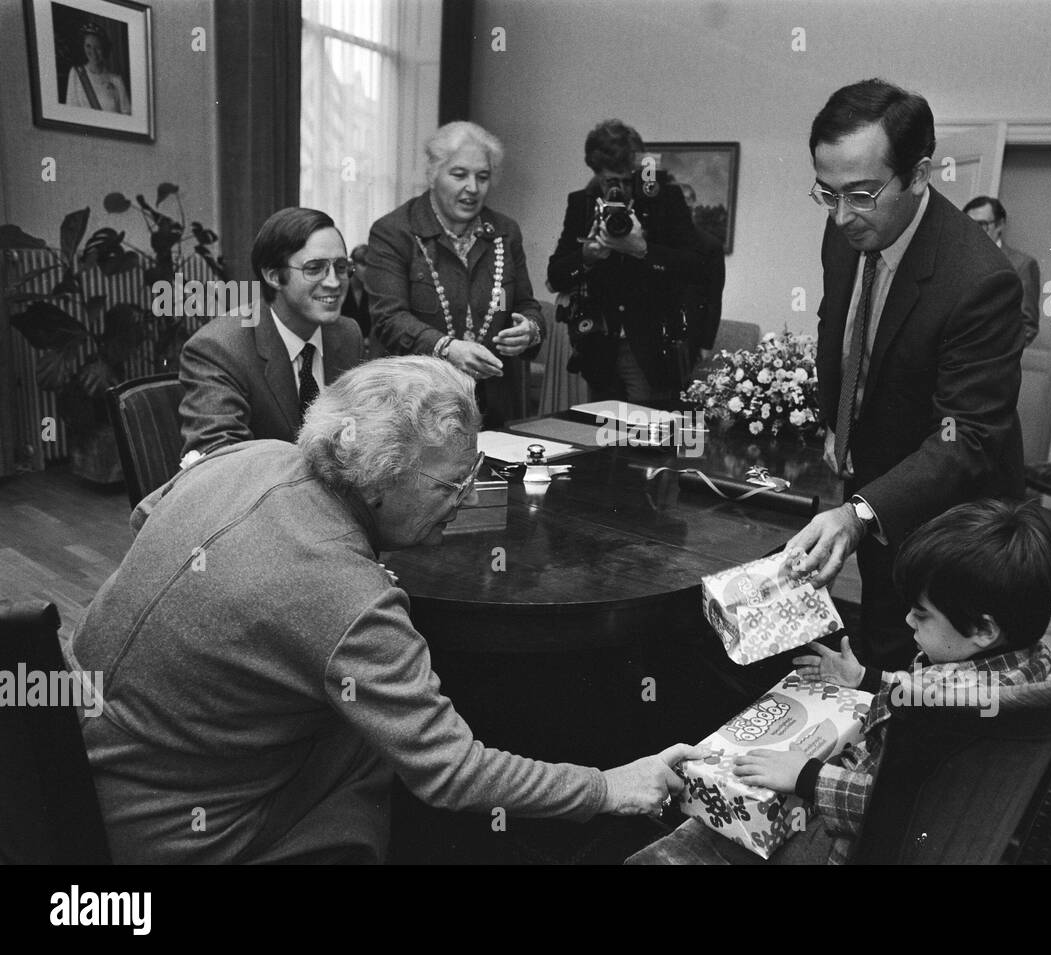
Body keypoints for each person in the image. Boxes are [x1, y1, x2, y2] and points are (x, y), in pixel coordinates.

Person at [68, 356, 702, 863]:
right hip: (182, 832)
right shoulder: (349, 599)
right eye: (451, 483)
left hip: (86, 751)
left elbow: (144, 514)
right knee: (405, 761)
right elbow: (452, 773)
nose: (464, 498)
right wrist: (609, 786)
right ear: (376, 476)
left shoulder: (250, 454)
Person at [628, 497, 1051, 865]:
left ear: (984, 630)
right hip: (944, 835)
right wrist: (867, 678)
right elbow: (939, 689)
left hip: (857, 845)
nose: (908, 619)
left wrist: (806, 777)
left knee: (698, 836)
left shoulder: (938, 715)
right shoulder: (1029, 659)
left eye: (923, 613)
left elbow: (891, 809)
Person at [790, 78, 1026, 671]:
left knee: (917, 679)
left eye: (862, 194)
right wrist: (833, 425)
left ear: (920, 174)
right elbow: (839, 329)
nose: (842, 215)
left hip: (950, 531)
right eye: (827, 192)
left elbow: (967, 436)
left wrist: (861, 512)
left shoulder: (980, 280)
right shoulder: (847, 229)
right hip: (874, 486)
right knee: (877, 645)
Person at [367, 121, 543, 429]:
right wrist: (447, 348)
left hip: (495, 406)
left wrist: (530, 329)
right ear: (434, 174)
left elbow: (526, 305)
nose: (472, 188)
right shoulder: (394, 232)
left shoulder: (505, 233)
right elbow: (389, 318)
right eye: (459, 174)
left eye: (483, 177)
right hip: (417, 406)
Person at [178, 207, 364, 460]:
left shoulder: (347, 333)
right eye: (314, 268)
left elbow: (358, 431)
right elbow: (220, 458)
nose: (334, 281)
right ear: (274, 276)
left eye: (341, 267)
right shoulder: (219, 348)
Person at [547, 120, 704, 408]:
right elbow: (556, 275)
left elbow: (695, 267)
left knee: (647, 442)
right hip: (597, 348)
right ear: (596, 173)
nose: (618, 190)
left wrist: (642, 249)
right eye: (610, 181)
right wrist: (588, 257)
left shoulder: (665, 200)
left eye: (627, 179)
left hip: (650, 349)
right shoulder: (582, 202)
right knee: (603, 439)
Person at [963, 196, 1042, 345]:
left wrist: (994, 357)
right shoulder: (956, 259)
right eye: (968, 224)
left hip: (989, 361)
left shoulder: (1021, 265)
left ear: (1000, 225)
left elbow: (1027, 327)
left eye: (982, 224)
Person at [674, 181, 726, 370]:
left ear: (693, 203)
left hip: (691, 336)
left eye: (687, 200)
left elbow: (714, 298)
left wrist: (706, 344)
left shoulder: (710, 245)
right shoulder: (658, 241)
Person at [64, 22, 131, 114]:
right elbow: (70, 113)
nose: (93, 52)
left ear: (104, 48)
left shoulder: (116, 80)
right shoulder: (76, 74)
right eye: (88, 46)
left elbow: (127, 116)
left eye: (97, 47)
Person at [340, 243, 373, 342]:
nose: (367, 270)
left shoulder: (371, 291)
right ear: (352, 265)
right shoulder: (341, 287)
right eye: (363, 264)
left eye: (370, 265)